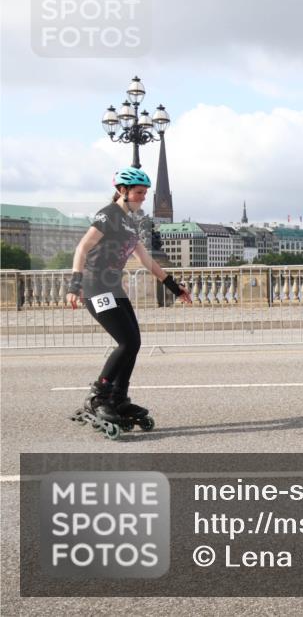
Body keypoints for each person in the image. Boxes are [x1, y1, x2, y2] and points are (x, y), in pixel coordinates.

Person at [66, 167, 192, 439]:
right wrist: (74, 285)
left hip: (114, 289)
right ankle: (99, 397)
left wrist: (174, 287)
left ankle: (119, 399)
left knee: (134, 342)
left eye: (145, 193)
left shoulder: (130, 223)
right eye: (139, 193)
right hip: (95, 287)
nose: (143, 198)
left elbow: (147, 262)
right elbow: (82, 248)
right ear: (122, 191)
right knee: (127, 342)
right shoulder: (108, 215)